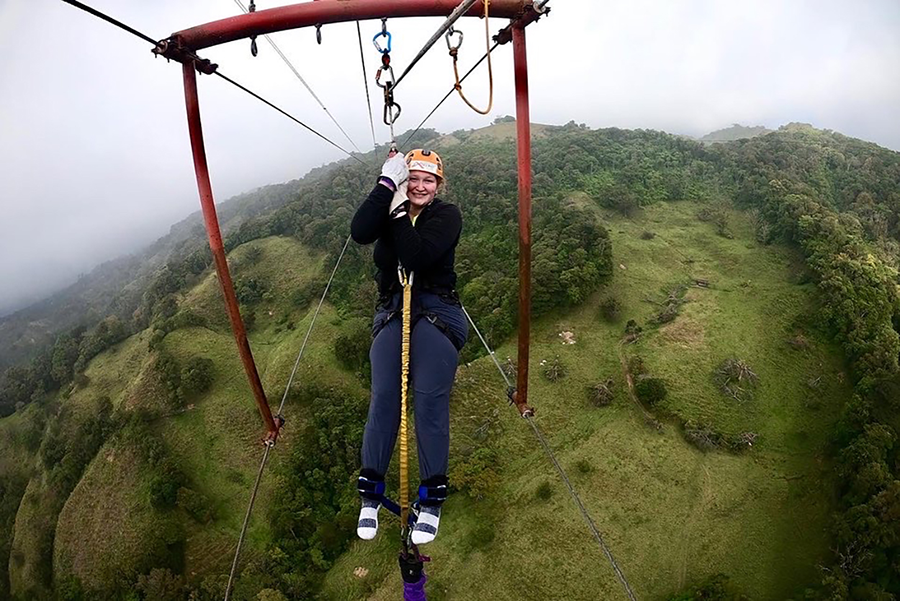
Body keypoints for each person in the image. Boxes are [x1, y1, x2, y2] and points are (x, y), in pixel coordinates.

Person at [350, 148, 468, 545]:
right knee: (384, 397)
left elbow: (416, 255)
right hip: (393, 312)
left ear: (438, 186)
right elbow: (361, 231)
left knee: (429, 402)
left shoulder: (446, 216)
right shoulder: (391, 203)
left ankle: (431, 499)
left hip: (436, 311)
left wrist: (398, 210)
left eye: (428, 180)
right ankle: (370, 494)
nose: (419, 186)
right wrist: (385, 184)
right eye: (413, 178)